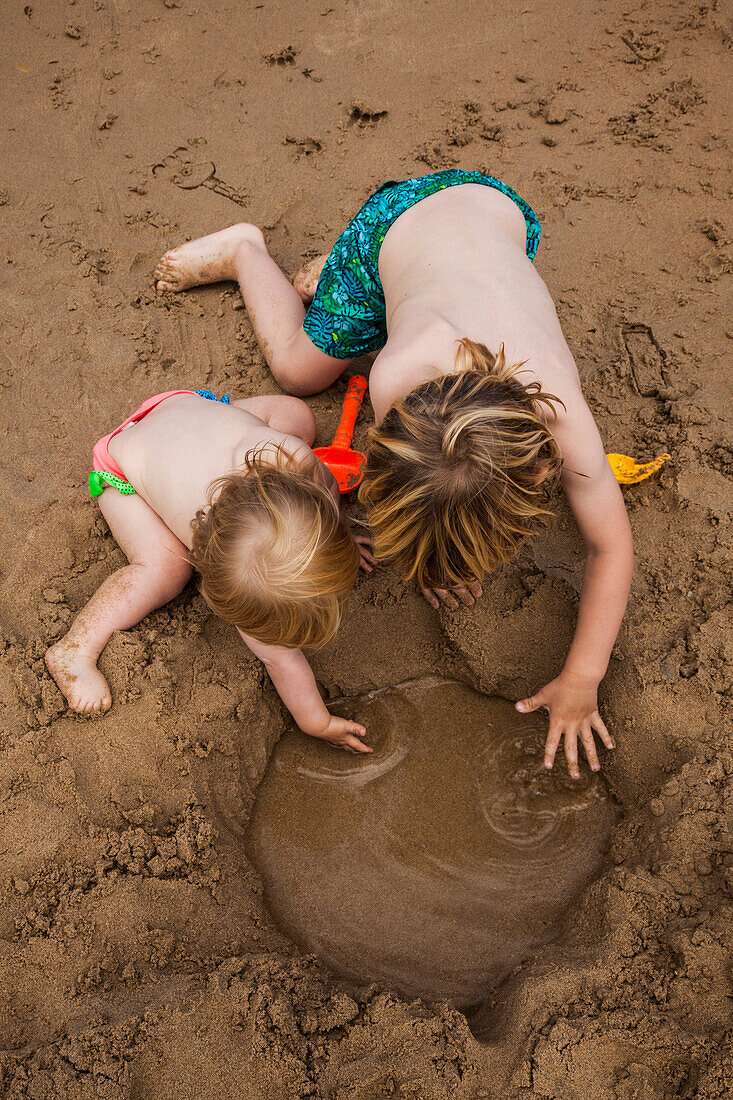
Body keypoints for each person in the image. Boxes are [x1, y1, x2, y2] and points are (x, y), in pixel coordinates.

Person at [153, 169, 634, 779]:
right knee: (300, 372)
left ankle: (335, 272)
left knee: (343, 337)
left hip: (501, 213)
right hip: (397, 224)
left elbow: (611, 547)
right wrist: (430, 555)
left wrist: (582, 677)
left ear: (544, 468)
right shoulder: (393, 373)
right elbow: (402, 488)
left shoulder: (568, 426)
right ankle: (247, 250)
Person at [45, 388, 375, 752]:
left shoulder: (295, 458)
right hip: (122, 462)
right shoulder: (241, 562)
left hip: (177, 408)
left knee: (299, 419)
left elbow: (324, 501)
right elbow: (280, 660)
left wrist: (335, 541)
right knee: (164, 570)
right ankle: (74, 650)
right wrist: (318, 722)